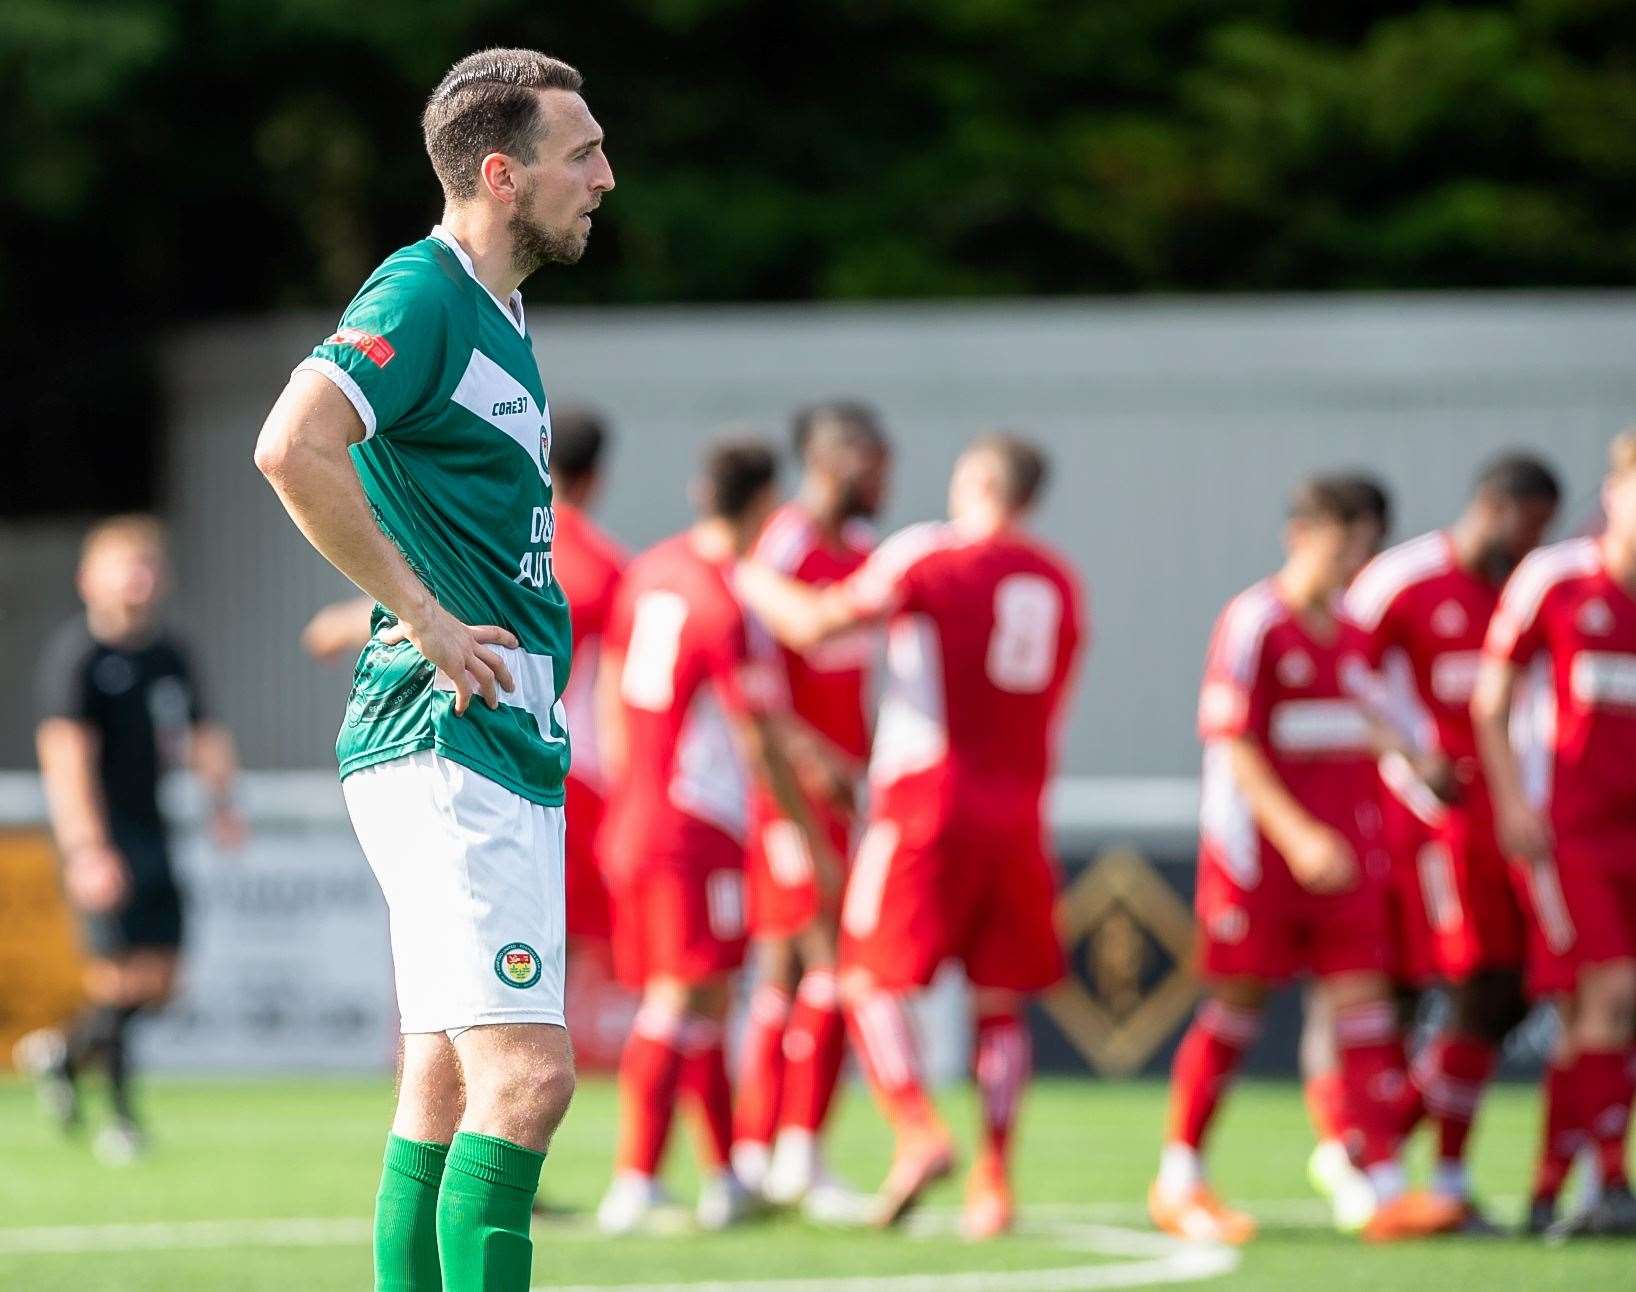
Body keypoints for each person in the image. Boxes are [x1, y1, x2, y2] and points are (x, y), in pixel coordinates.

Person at [253, 48, 613, 1292]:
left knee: (452, 1076)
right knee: (528, 1077)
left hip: (489, 740)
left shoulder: (499, 312)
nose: (605, 179)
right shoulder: (424, 291)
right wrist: (420, 611)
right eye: (583, 154)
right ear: (502, 174)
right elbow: (292, 444)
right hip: (446, 736)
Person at [737, 432, 1084, 1239]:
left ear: (978, 480)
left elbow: (821, 625)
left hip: (928, 800)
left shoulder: (928, 553)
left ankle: (916, 1126)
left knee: (861, 975)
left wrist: (751, 578)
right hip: (1023, 805)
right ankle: (994, 1181)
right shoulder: (1058, 580)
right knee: (999, 1004)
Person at [1150, 476, 1464, 1246]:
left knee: (1362, 1011)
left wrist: (1419, 762)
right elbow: (1235, 743)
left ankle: (1383, 1182)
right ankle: (1180, 1176)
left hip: (1344, 857)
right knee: (1237, 1008)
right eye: (1346, 542)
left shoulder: (1354, 631)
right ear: (1306, 533)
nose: (1356, 559)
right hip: (1262, 859)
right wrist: (1296, 837)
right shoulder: (1254, 621)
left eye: (1367, 546)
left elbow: (1368, 718)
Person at [594, 436, 843, 1235]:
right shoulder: (724, 599)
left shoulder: (650, 573)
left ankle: (725, 1174)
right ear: (767, 503)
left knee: (704, 995)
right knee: (680, 995)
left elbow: (607, 685)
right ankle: (634, 1182)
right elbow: (757, 734)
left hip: (639, 808)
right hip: (694, 826)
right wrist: (809, 836)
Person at [299, 405, 625, 971]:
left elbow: (341, 630)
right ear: (596, 478)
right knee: (539, 950)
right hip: (569, 763)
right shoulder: (607, 569)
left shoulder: (492, 547)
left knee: (474, 945)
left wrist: (353, 623)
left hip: (471, 739)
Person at [1332, 455, 1561, 1231]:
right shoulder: (1401, 582)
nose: (1532, 546)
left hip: (1503, 820)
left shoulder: (1518, 593)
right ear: (1493, 508)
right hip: (1424, 824)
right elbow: (1343, 683)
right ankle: (1399, 1162)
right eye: (1526, 527)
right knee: (1433, 988)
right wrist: (1406, 758)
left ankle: (1391, 1146)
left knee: (1507, 988)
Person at [16, 515, 244, 1164]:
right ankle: (120, 1120)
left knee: (164, 981)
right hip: (103, 835)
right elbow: (66, 759)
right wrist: (88, 848)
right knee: (118, 980)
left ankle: (64, 1053)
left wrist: (224, 802)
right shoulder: (79, 657)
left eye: (148, 566)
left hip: (153, 830)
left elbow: (203, 732)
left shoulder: (170, 653)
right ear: (90, 579)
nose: (139, 579)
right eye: (125, 566)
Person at [1473, 430, 1636, 1239]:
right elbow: (1491, 697)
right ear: (1615, 494)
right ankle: (1611, 1184)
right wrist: (1510, 801)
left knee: (1585, 1018)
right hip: (1567, 833)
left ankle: (1546, 1193)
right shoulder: (1557, 579)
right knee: (1613, 994)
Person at [730, 402, 891, 1219]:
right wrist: (813, 757)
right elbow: (750, 687)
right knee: (827, 958)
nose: (886, 482)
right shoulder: (784, 545)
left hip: (840, 791)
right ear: (836, 462)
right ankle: (794, 1152)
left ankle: (765, 1153)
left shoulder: (860, 554)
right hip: (789, 793)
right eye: (876, 464)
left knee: (792, 970)